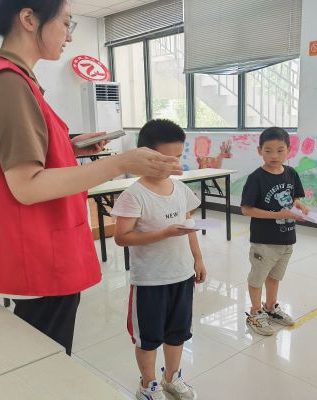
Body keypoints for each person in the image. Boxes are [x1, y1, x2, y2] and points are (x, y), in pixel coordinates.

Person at [0, 0, 181, 355]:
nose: (69, 36)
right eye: (66, 23)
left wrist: (70, 147)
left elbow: (27, 158)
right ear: (28, 19)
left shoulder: (10, 78)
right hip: (37, 256)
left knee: (41, 356)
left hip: (36, 252)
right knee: (44, 363)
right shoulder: (9, 84)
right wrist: (121, 163)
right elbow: (27, 186)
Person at [111, 119, 206, 400]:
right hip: (150, 281)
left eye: (178, 156)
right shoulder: (134, 195)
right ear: (146, 156)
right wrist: (164, 233)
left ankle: (171, 378)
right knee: (148, 338)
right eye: (167, 158)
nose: (175, 163)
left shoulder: (180, 189)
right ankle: (148, 384)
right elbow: (121, 237)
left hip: (182, 275)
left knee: (178, 332)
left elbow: (189, 227)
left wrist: (198, 259)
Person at [240, 127, 308, 336]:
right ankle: (255, 312)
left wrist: (299, 205)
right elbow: (246, 209)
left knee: (275, 276)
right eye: (268, 150)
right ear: (260, 150)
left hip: (286, 239)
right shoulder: (256, 178)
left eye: (280, 150)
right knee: (257, 278)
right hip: (264, 241)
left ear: (289, 150)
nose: (274, 156)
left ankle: (270, 308)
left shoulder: (291, 173)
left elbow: (295, 197)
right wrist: (278, 214)